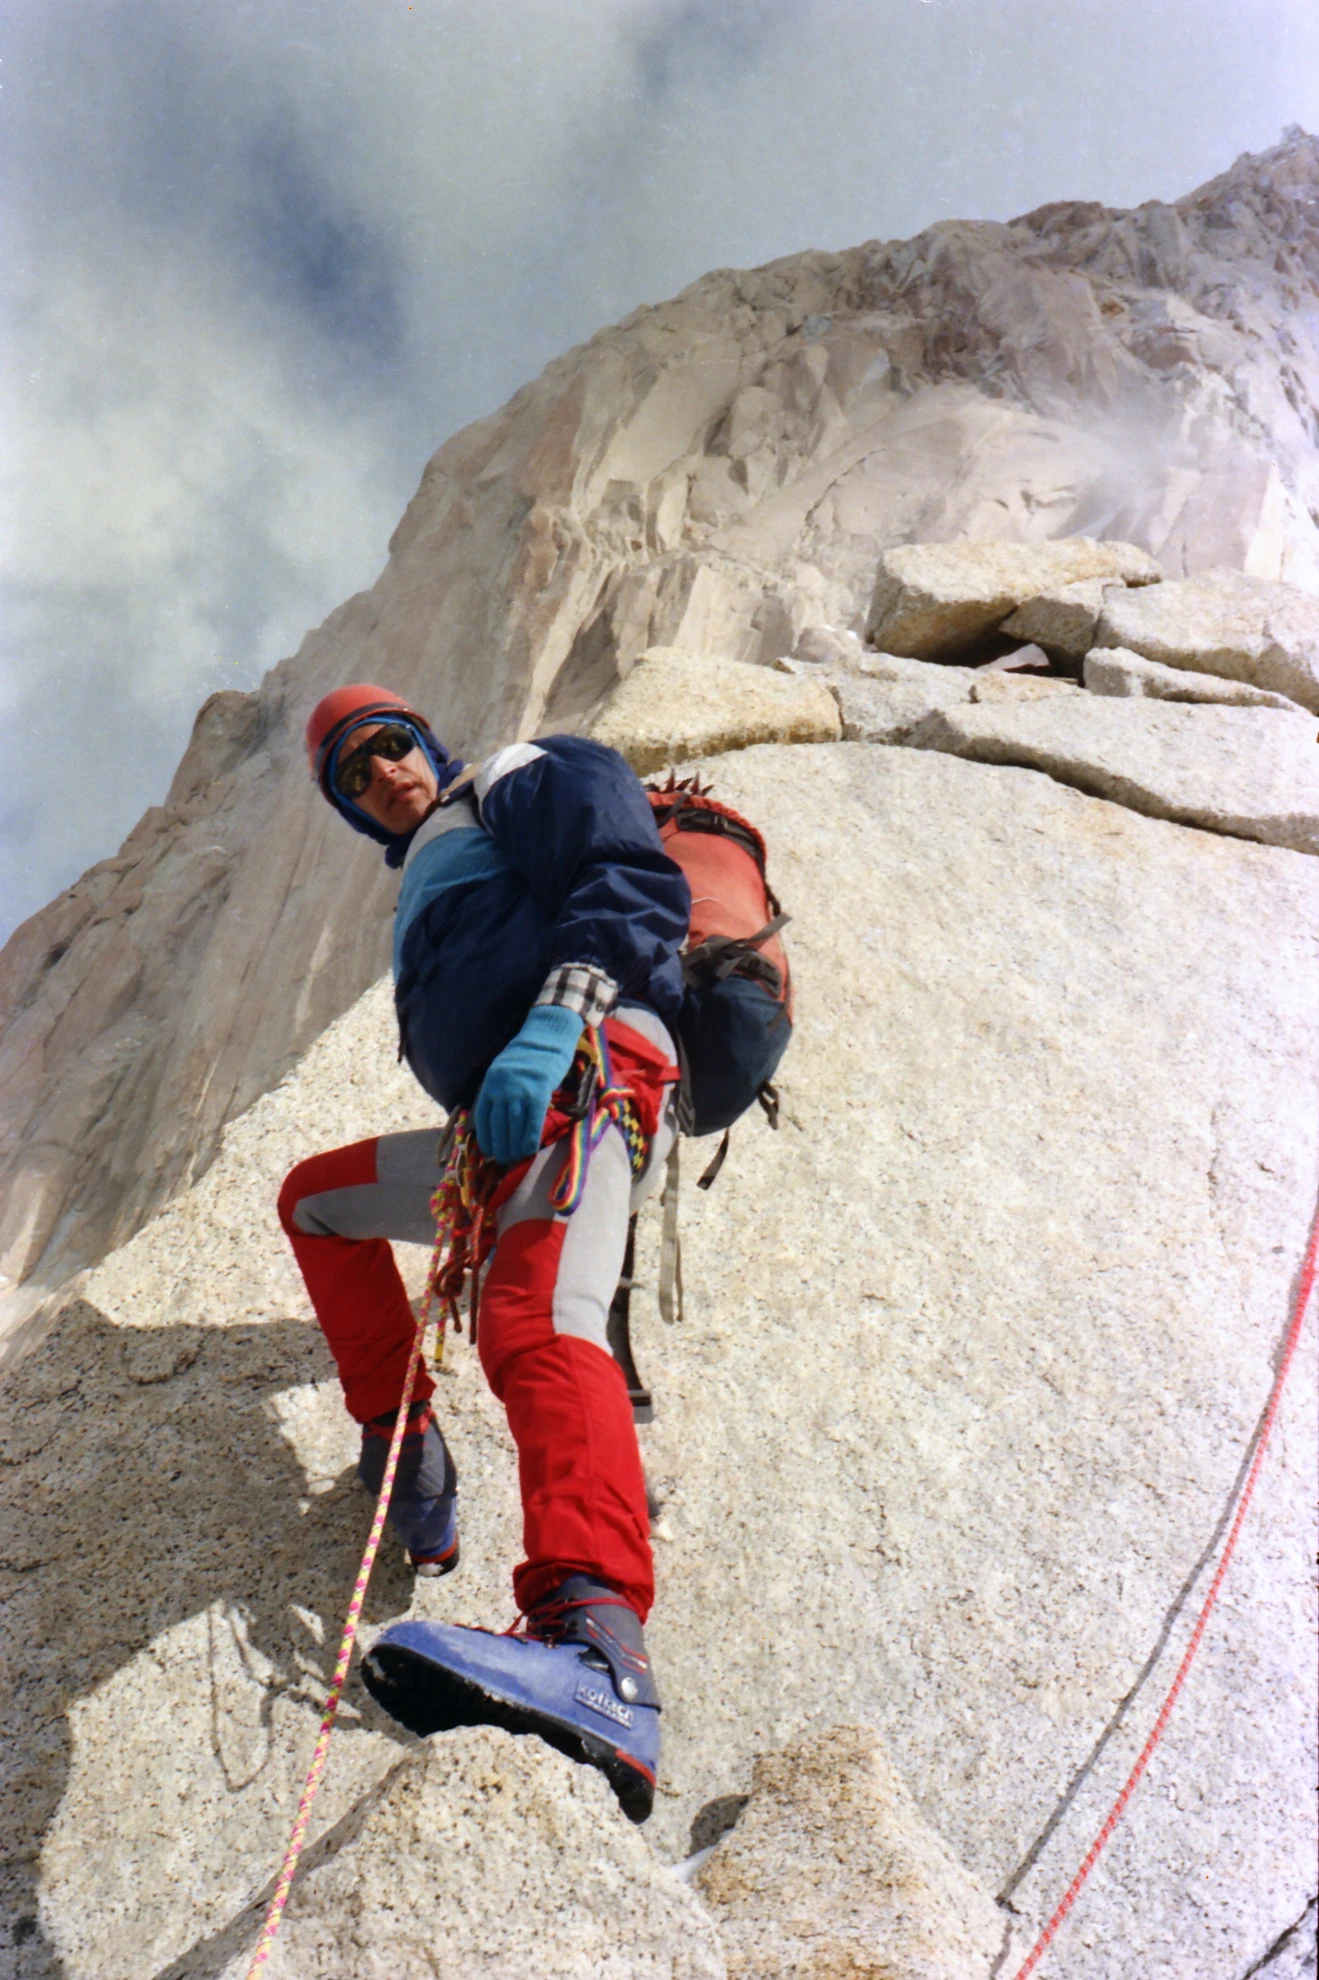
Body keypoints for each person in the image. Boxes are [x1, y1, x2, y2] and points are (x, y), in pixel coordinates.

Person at [278, 683, 690, 1821]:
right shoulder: (423, 878)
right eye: (353, 779)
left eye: (392, 748)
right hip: (491, 1135)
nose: (384, 778)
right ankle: (405, 1440)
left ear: (431, 741)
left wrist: (559, 1020)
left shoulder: (511, 774)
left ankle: (600, 1655)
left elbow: (626, 870)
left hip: (589, 1068)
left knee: (536, 1323)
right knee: (315, 1203)